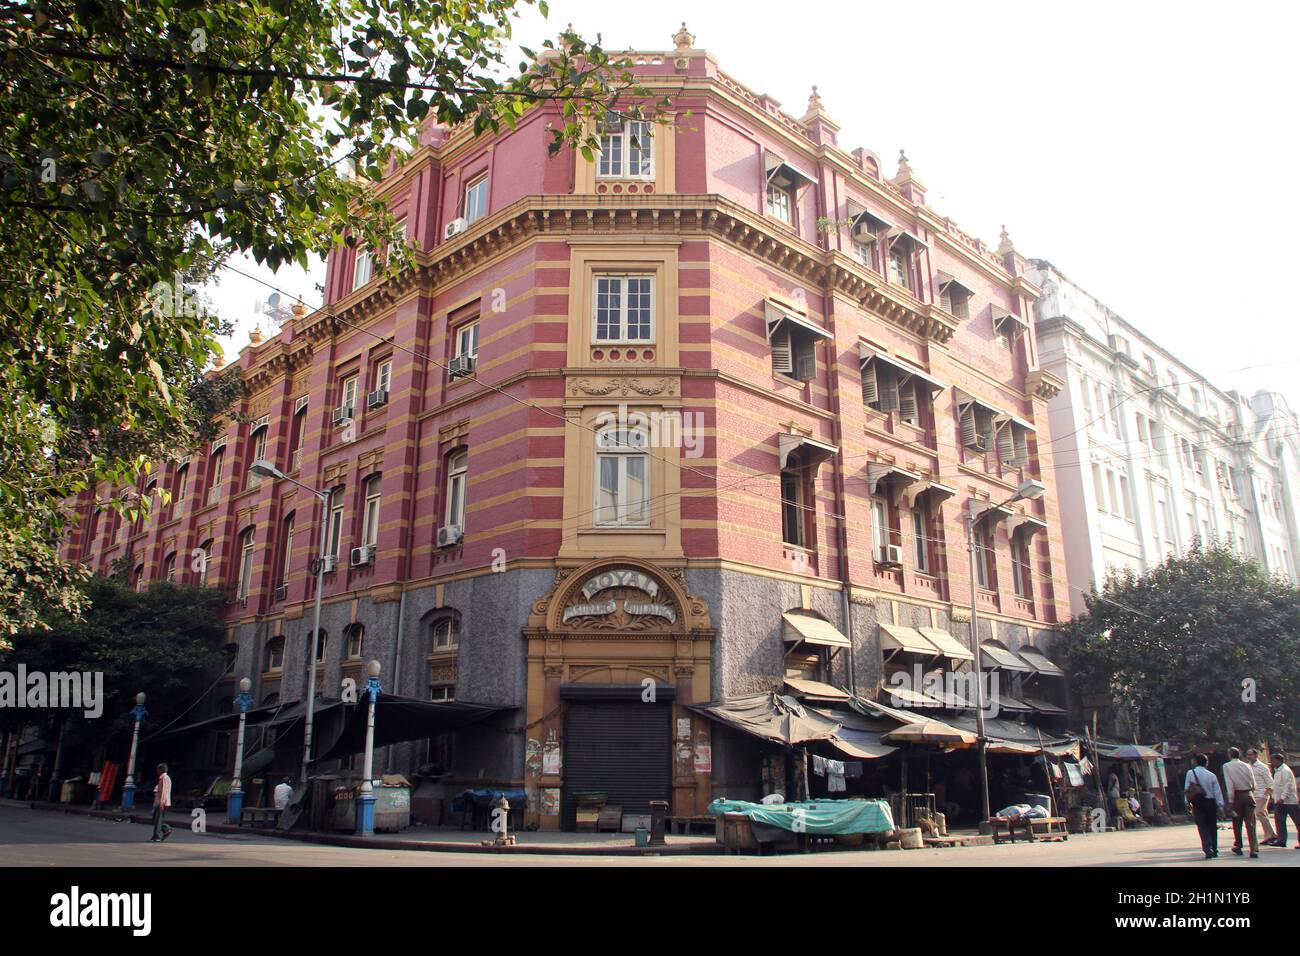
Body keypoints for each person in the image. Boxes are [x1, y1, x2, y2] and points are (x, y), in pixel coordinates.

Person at [1184, 753, 1224, 859]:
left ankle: (1207, 848)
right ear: (1206, 763)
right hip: (1210, 803)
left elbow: (1187, 789)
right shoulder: (1211, 775)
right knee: (1212, 826)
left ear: (1196, 762)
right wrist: (1220, 806)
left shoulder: (1190, 773)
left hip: (1198, 803)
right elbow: (1218, 792)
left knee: (1202, 826)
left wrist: (1187, 803)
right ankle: (1214, 848)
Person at [1222, 747, 1259, 858]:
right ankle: (1253, 849)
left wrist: (1231, 800)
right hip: (1249, 794)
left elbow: (1229, 784)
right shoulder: (1246, 765)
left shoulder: (1227, 766)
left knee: (1237, 822)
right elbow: (1253, 783)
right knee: (1251, 823)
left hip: (1237, 795)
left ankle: (1239, 846)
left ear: (1229, 755)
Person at [1267, 752, 1300, 848]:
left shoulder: (1285, 770)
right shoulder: (1278, 770)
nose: (1272, 762)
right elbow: (1277, 784)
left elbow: (1287, 786)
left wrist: (1283, 798)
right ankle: (1281, 840)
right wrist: (1271, 789)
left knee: (1297, 821)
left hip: (1289, 801)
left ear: (1279, 760)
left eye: (1273, 760)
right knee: (1279, 821)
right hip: (1279, 800)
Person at [1246, 747, 1277, 846]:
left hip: (1262, 793)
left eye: (1251, 755)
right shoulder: (1247, 766)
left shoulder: (1262, 767)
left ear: (1255, 755)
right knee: (1263, 814)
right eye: (1248, 755)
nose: (1249, 757)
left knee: (1259, 812)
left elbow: (1270, 781)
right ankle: (1269, 835)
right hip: (1254, 794)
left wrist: (1268, 792)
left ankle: (1271, 835)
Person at [150, 763, 173, 843]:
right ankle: (166, 829)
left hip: (161, 802)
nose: (156, 771)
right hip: (158, 801)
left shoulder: (164, 778)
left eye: (158, 769)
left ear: (161, 770)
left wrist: (161, 803)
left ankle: (156, 836)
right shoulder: (162, 778)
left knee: (158, 819)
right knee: (156, 819)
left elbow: (164, 792)